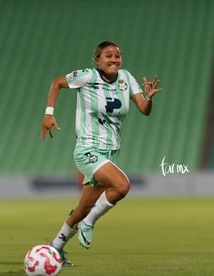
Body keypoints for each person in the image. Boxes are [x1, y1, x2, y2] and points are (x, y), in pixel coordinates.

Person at [40, 41, 161, 266]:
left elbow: (144, 110)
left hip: (111, 153)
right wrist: (49, 114)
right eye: (108, 55)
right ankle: (90, 222)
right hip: (88, 149)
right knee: (122, 186)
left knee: (83, 208)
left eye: (118, 55)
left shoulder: (126, 78)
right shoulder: (87, 76)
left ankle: (55, 248)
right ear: (97, 60)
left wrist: (149, 98)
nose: (114, 59)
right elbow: (57, 83)